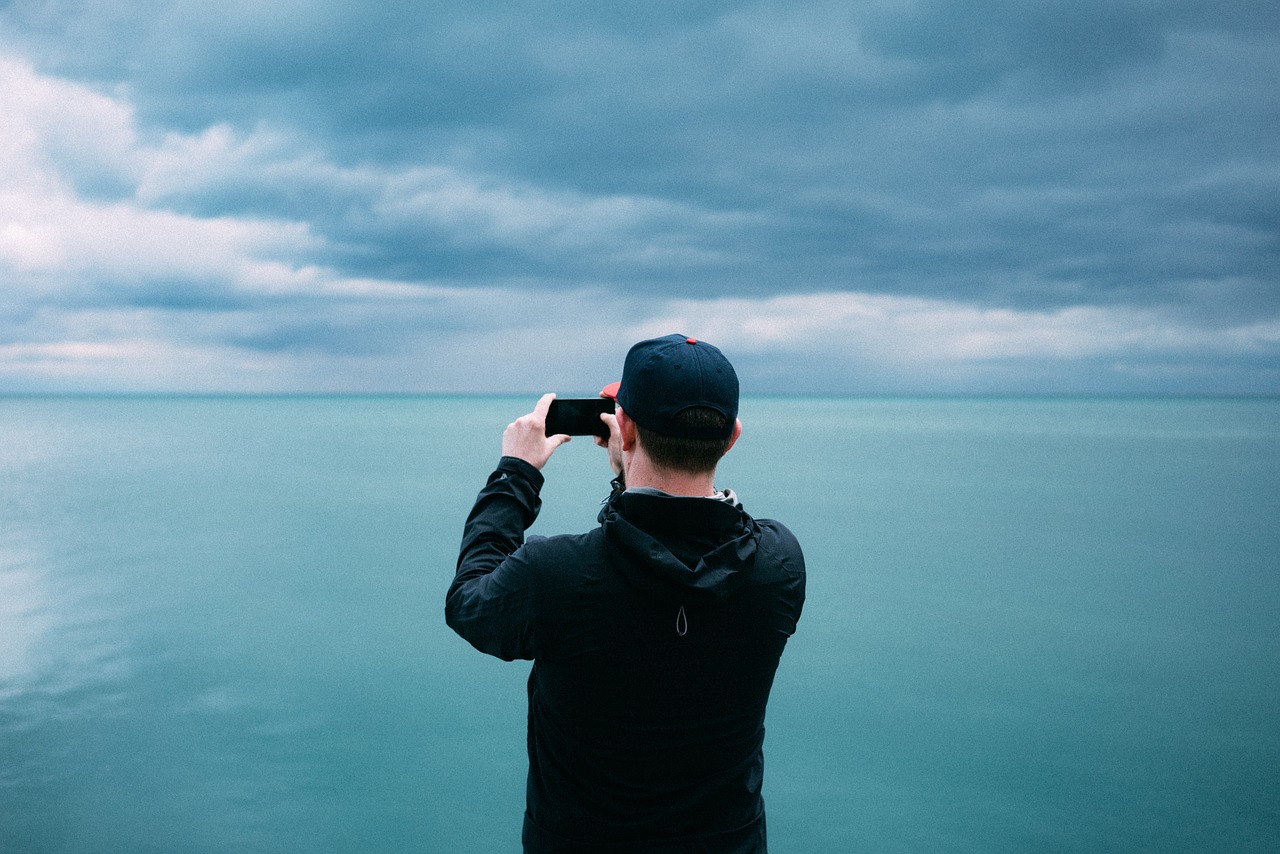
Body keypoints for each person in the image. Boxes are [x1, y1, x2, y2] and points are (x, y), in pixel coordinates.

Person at [445, 334, 805, 853]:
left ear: (625, 428)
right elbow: (681, 548)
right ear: (732, 437)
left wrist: (516, 474)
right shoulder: (779, 564)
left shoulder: (557, 575)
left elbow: (470, 604)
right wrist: (632, 471)